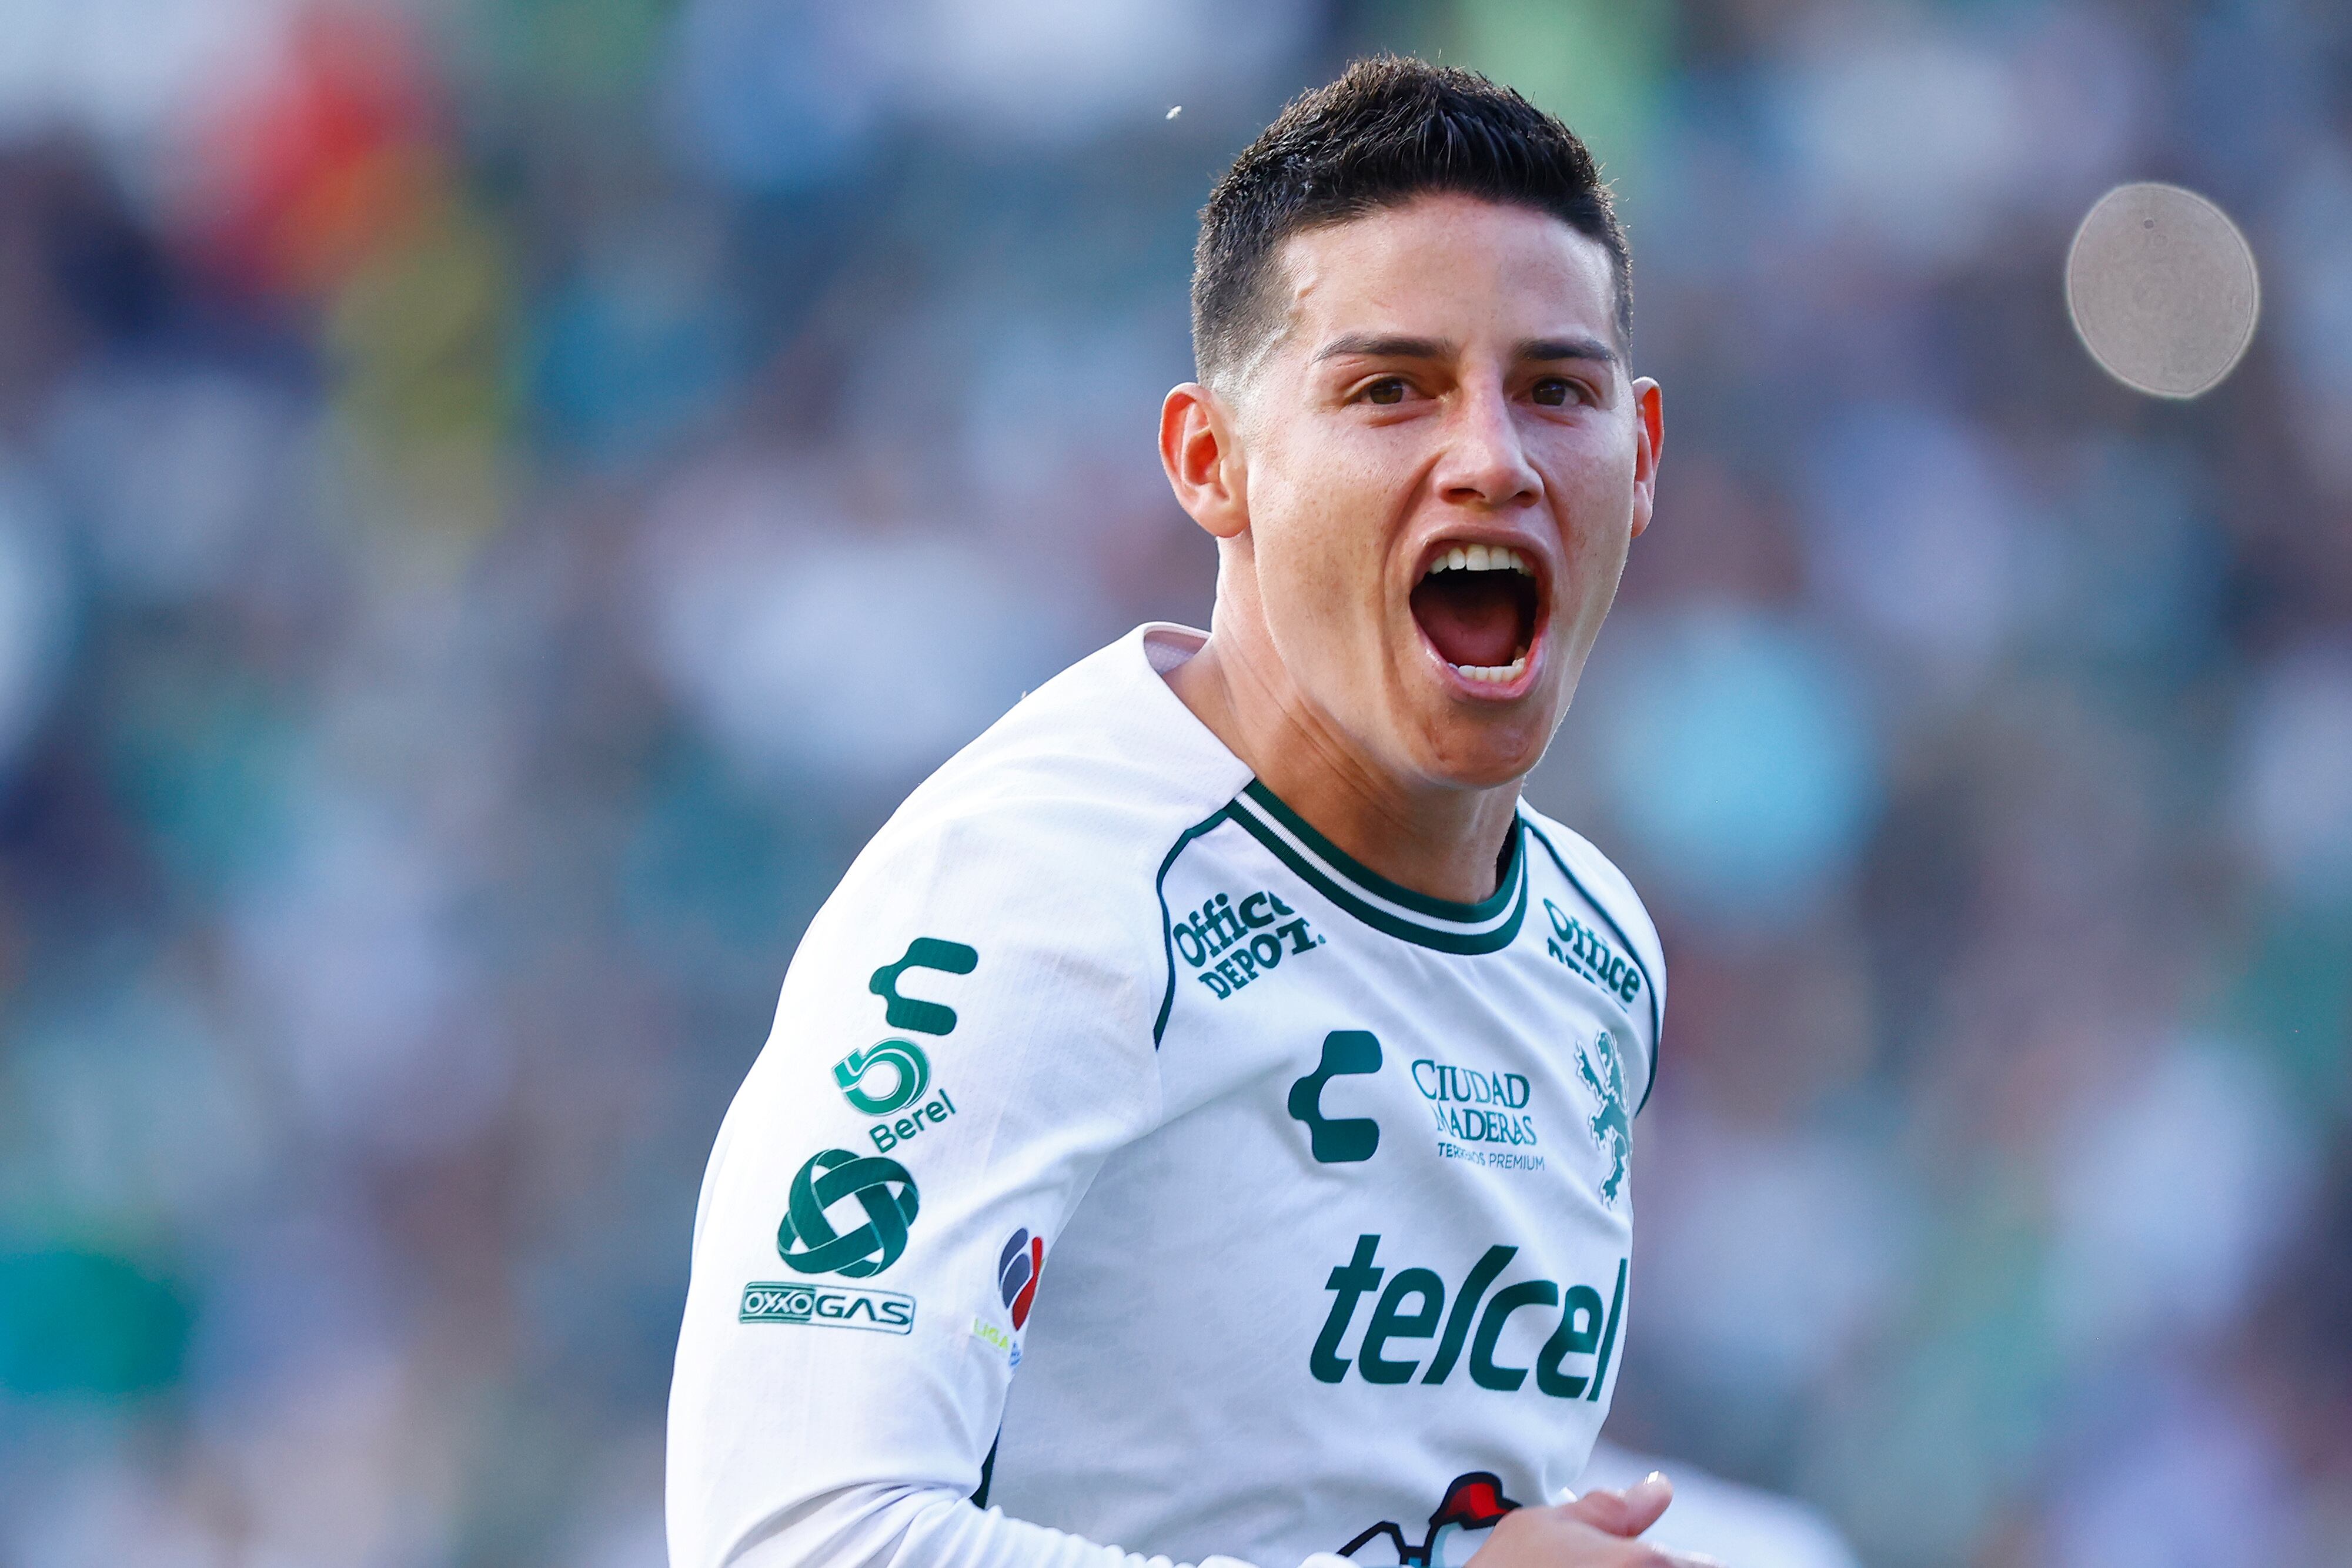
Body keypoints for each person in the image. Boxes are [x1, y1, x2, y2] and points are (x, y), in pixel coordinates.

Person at [667, 55, 1689, 1568]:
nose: (1490, 457)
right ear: (1213, 463)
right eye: (1388, 389)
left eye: (1555, 390)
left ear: (1640, 456)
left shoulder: (1598, 952)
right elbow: (794, 1539)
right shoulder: (1026, 899)